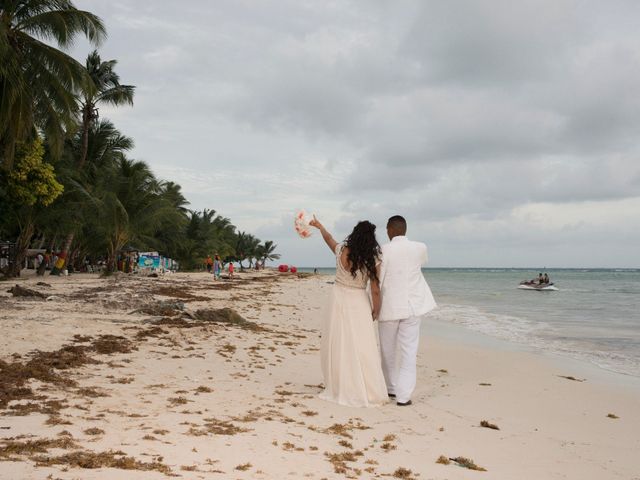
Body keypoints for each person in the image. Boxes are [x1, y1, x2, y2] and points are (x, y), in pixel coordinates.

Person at [309, 215, 388, 407]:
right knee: (362, 344)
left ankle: (338, 384)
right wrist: (376, 310)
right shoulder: (373, 258)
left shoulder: (341, 250)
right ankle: (365, 388)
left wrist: (320, 226)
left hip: (338, 297)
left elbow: (329, 239)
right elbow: (376, 289)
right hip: (358, 300)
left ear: (354, 234)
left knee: (338, 341)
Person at [378, 215, 437, 406]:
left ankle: (392, 388)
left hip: (390, 306)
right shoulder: (420, 247)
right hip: (413, 305)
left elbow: (378, 278)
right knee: (409, 352)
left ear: (390, 229)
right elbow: (420, 263)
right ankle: (404, 396)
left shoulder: (383, 250)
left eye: (387, 229)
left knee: (388, 351)